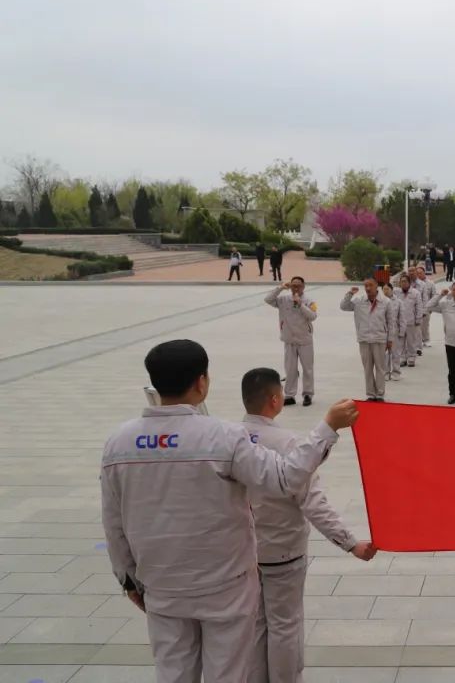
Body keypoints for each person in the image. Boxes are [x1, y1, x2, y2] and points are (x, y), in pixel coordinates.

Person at [100, 340, 359, 683]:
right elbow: (285, 478)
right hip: (224, 584)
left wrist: (128, 578)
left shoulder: (119, 443)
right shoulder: (224, 437)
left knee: (173, 671)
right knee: (228, 671)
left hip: (161, 583)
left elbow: (113, 521)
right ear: (201, 382)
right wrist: (327, 427)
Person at [241, 368, 376, 683]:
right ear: (275, 400)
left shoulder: (230, 439)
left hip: (244, 553)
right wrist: (350, 544)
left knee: (256, 624)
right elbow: (313, 504)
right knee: (284, 625)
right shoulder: (288, 444)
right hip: (283, 553)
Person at [264, 277, 317, 406]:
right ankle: (289, 395)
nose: (296, 288)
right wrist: (280, 288)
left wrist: (300, 304)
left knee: (307, 369)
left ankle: (308, 394)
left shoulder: (309, 301)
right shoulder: (284, 299)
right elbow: (268, 299)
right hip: (289, 340)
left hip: (304, 340)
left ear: (303, 287)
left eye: (298, 286)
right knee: (290, 369)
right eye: (293, 286)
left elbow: (313, 316)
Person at [340, 279, 395, 401]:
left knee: (380, 368)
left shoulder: (385, 301)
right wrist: (350, 294)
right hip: (364, 339)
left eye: (370, 285)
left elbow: (391, 322)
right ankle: (370, 394)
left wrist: (390, 339)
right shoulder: (359, 300)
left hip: (379, 338)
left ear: (377, 286)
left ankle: (380, 394)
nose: (368, 288)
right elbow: (343, 307)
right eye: (366, 285)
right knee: (367, 368)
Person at [393, 274, 422, 368]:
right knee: (400, 341)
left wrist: (418, 319)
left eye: (405, 281)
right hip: (399, 322)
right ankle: (403, 358)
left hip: (411, 321)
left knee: (411, 341)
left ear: (409, 283)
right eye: (402, 282)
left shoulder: (415, 293)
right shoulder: (396, 292)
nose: (403, 283)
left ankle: (411, 357)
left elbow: (419, 307)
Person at [382, 283, 405, 381]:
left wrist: (402, 332)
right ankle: (386, 373)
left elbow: (402, 318)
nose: (385, 291)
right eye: (384, 289)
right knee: (385, 353)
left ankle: (396, 372)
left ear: (392, 290)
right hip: (383, 331)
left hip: (395, 330)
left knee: (396, 353)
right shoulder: (381, 301)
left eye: (387, 289)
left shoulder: (398, 302)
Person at [415, 266, 435, 350]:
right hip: (416, 308)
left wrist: (431, 308)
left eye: (420, 273)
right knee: (417, 326)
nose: (419, 275)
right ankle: (417, 341)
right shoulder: (414, 283)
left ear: (424, 273)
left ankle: (426, 340)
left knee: (425, 325)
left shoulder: (430, 283)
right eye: (417, 273)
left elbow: (434, 296)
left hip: (426, 308)